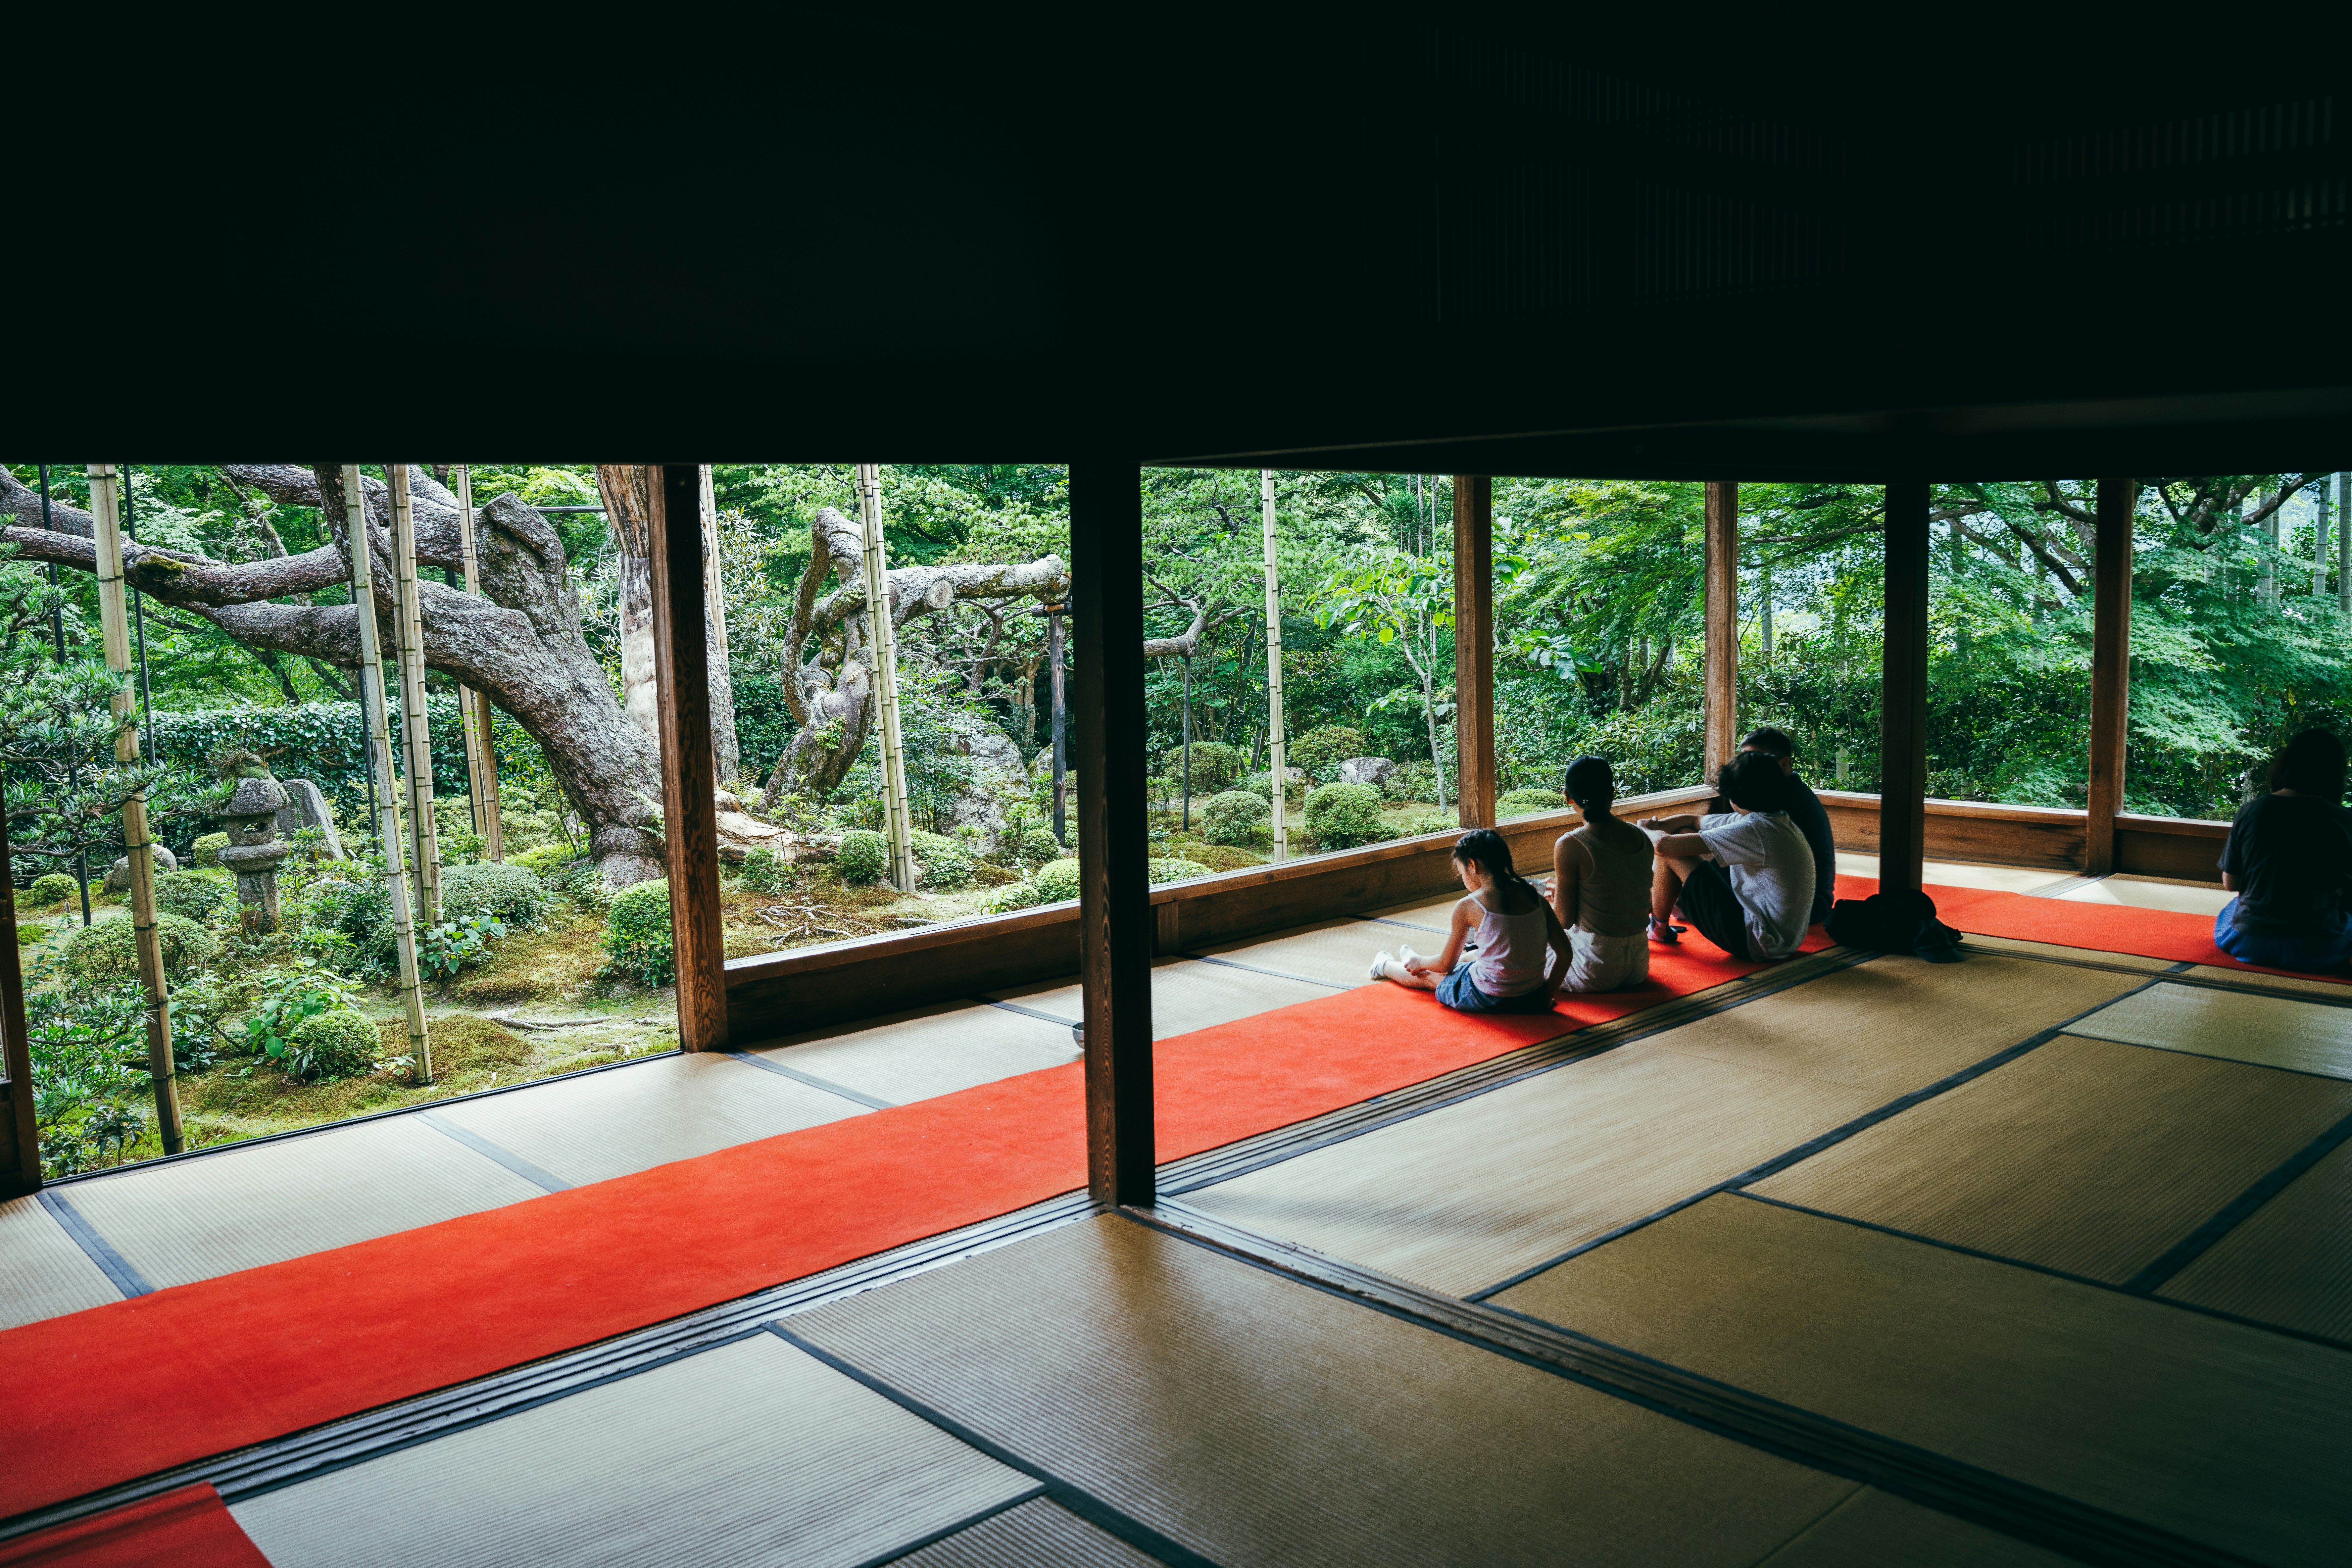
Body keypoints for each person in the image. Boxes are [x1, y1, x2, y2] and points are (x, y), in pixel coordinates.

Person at [1370, 828, 1576, 1013]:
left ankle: (1385, 965)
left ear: (1472, 865)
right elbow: (1565, 953)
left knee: (1426, 976)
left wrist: (1421, 963)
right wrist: (1546, 995)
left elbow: (1445, 965)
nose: (1463, 879)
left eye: (1462, 873)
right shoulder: (1537, 899)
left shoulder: (1469, 906)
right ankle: (1416, 960)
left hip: (1487, 996)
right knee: (1476, 954)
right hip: (1530, 995)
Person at [1639, 750, 1816, 961]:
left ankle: (1657, 926)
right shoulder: (1772, 820)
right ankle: (1663, 914)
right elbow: (1693, 821)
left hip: (1757, 941)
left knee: (1671, 851)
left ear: (1736, 795)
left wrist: (1644, 829)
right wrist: (1660, 826)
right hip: (1781, 940)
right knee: (1682, 838)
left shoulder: (1755, 830)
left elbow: (1662, 846)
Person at [2213, 729, 2352, 972]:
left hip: (2249, 942)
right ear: (2335, 773)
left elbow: (2231, 884)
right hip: (2318, 947)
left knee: (2234, 909)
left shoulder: (2251, 811)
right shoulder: (2341, 818)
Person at [1546, 755, 1653, 992]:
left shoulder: (1571, 845)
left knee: (1512, 946)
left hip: (1594, 967)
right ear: (1612, 793)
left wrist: (1550, 903)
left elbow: (1563, 920)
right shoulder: (1641, 837)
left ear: (1567, 797)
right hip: (1639, 964)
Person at [1739, 726, 1836, 925]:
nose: (1746, 769)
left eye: (1757, 761)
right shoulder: (1788, 792)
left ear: (1784, 764)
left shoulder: (1784, 802)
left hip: (1804, 909)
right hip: (1803, 903)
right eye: (1744, 762)